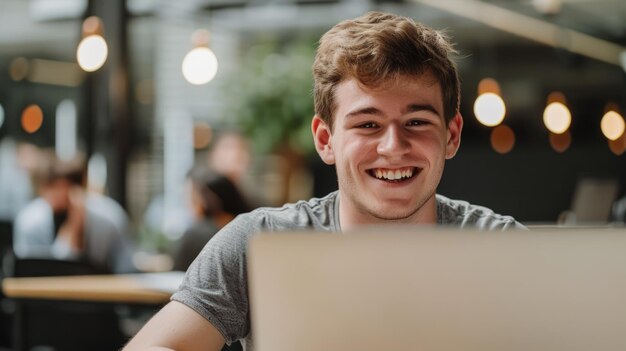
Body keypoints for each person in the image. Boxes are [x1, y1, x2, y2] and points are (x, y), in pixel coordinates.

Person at [124, 11, 525, 351]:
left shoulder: (504, 250)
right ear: (325, 140)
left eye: (417, 122)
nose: (393, 146)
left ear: (451, 136)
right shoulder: (259, 242)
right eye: (368, 124)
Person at [13, 151, 135, 273]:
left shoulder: (110, 217)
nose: (60, 197)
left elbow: (126, 266)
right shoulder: (30, 221)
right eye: (54, 189)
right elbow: (38, 271)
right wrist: (72, 229)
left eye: (66, 189)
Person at [172, 166, 250, 271]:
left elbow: (177, 278)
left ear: (204, 200)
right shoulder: (249, 231)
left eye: (189, 196)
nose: (186, 203)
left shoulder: (196, 236)